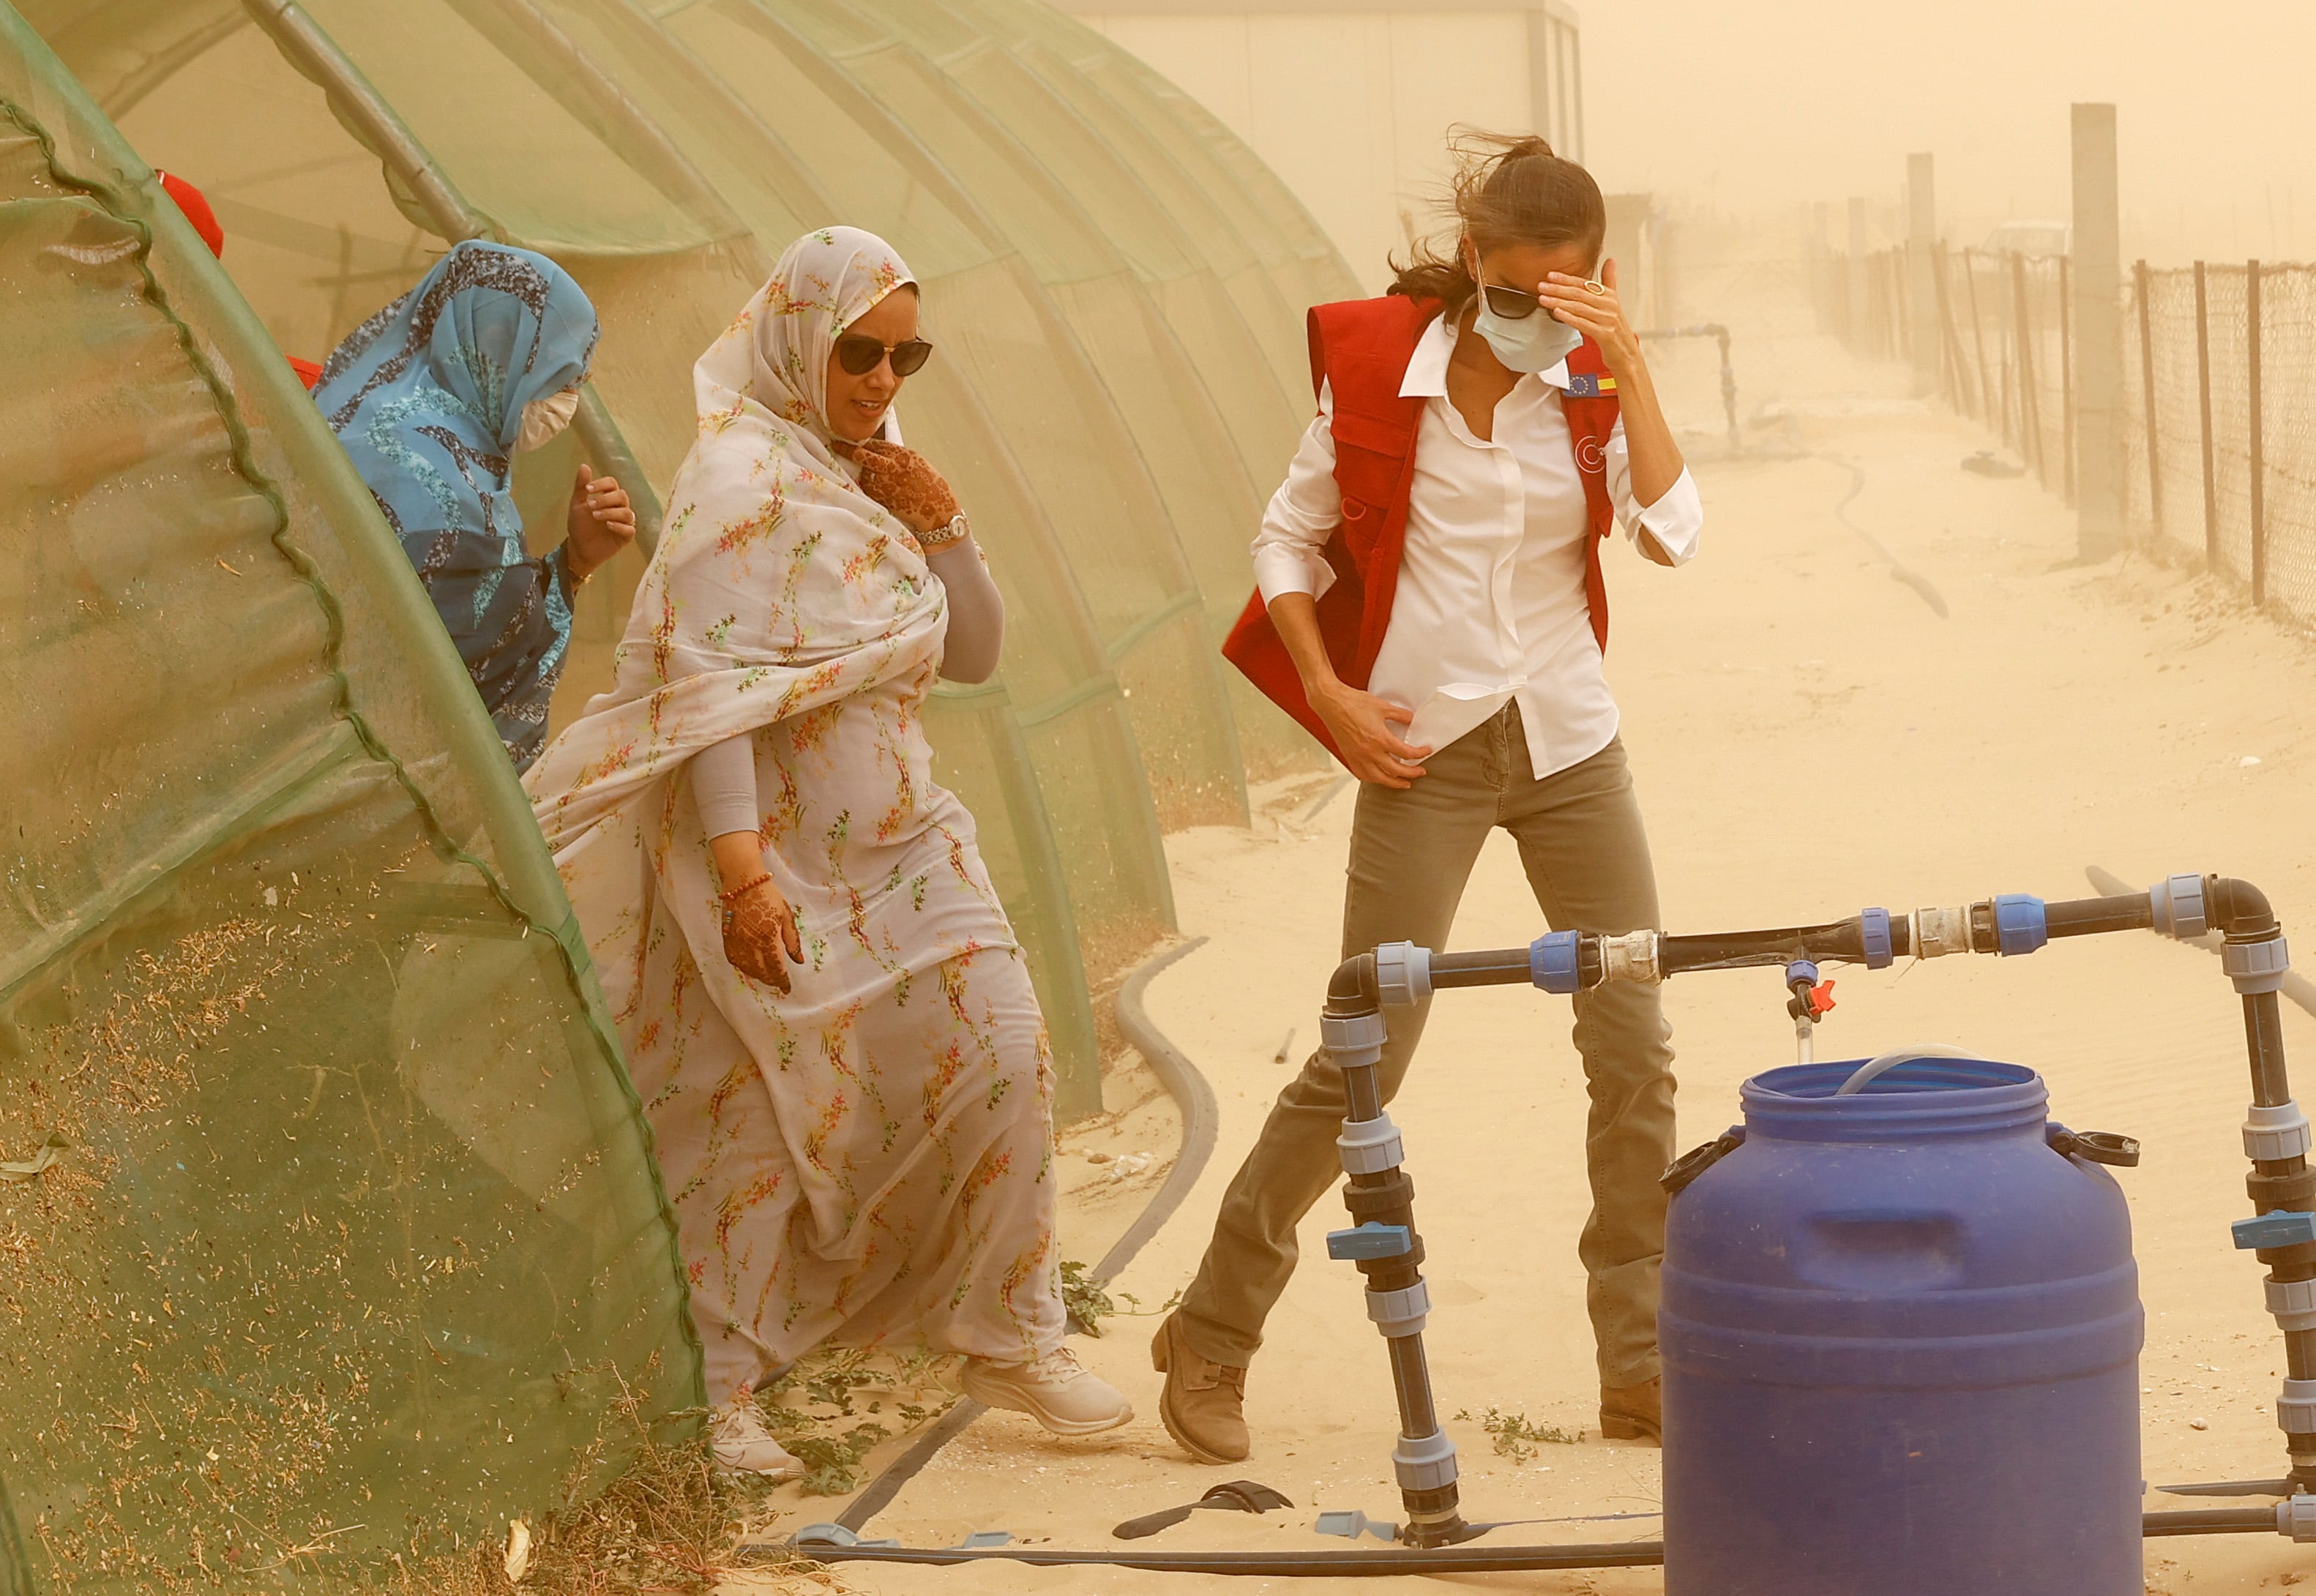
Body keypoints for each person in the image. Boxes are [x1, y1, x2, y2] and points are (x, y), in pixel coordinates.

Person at [522, 226, 1132, 1478]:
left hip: (906, 841)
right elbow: (711, 697)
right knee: (757, 1102)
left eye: (907, 356)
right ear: (799, 335)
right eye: (860, 350)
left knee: (1005, 1051)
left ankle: (1004, 1329)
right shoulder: (738, 483)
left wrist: (947, 523)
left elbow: (971, 657)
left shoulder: (878, 472)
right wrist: (742, 875)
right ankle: (720, 1391)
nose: (880, 379)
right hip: (767, 851)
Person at [1154, 132, 1703, 1462]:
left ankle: (1635, 1362)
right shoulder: (1375, 375)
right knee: (1367, 1049)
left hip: (1570, 745)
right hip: (1425, 752)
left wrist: (1619, 359)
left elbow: (1672, 525)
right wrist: (1325, 693)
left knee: (1631, 1051)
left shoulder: (1584, 384)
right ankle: (1210, 1331)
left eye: (1556, 295)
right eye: (1508, 292)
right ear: (1471, 264)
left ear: (1593, 280)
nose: (1526, 319)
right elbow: (1284, 537)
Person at [315, 239, 635, 769]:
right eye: (562, 377)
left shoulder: (363, 415)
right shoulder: (441, 485)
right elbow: (474, 680)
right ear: (506, 353)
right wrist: (565, 575)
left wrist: (574, 565)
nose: (567, 400)